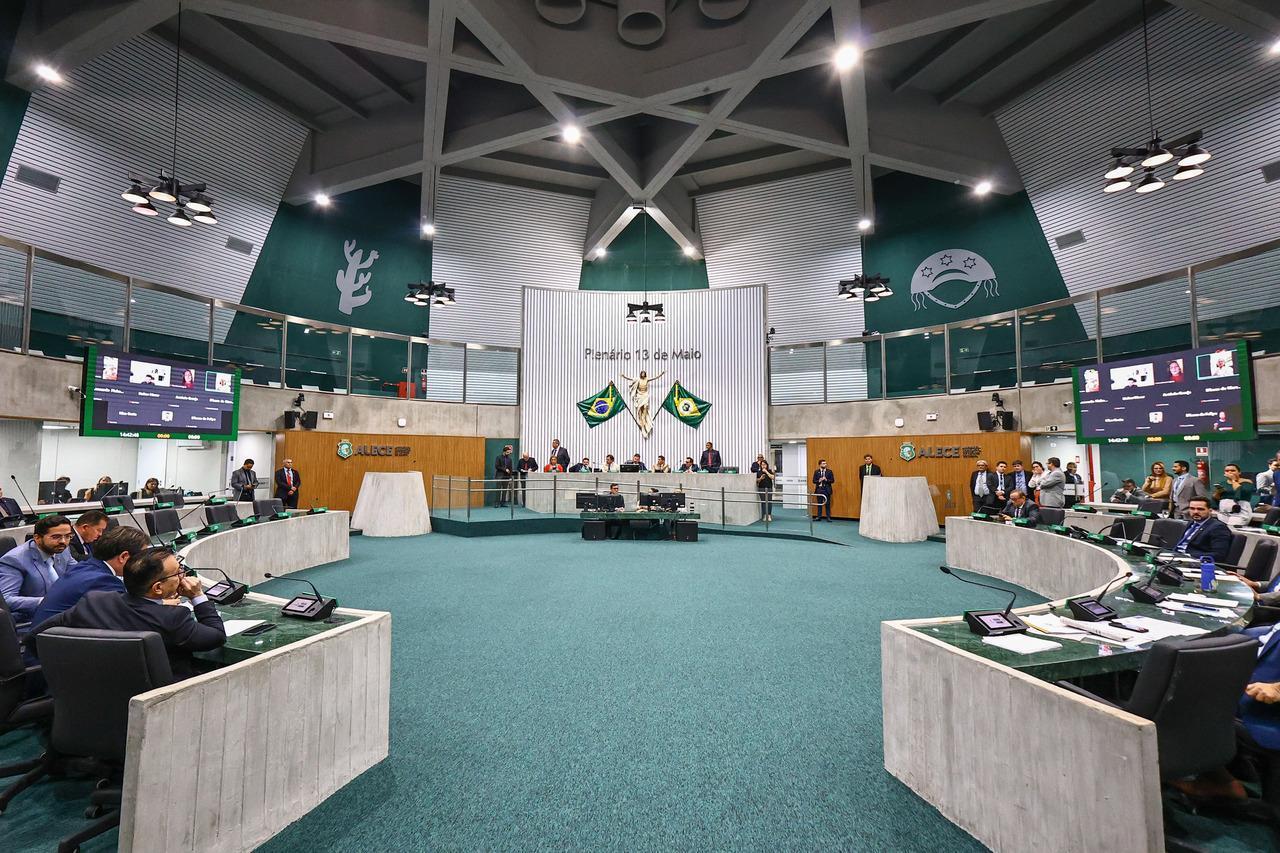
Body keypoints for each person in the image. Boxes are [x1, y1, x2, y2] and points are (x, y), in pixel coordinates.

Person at [26, 547, 226, 681]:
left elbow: (36, 637)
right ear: (157, 588)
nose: (183, 575)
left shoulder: (95, 601)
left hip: (92, 699)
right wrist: (198, 596)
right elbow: (216, 636)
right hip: (158, 704)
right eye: (178, 573)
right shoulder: (173, 618)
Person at [28, 526, 149, 627]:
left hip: (48, 644)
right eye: (142, 557)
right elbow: (127, 620)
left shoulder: (86, 567)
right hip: (57, 651)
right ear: (124, 557)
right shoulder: (104, 582)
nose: (144, 563)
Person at [0, 515, 75, 624]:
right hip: (30, 620)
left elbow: (79, 572)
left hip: (60, 614)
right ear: (37, 538)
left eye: (68, 536)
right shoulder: (14, 560)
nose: (63, 541)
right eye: (56, 537)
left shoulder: (62, 550)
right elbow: (6, 599)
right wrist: (47, 601)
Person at [1173, 496, 1232, 563]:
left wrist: (1188, 556)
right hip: (1177, 558)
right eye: (1192, 508)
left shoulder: (1218, 527)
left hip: (1196, 562)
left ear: (1210, 511)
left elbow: (1219, 555)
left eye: (1200, 509)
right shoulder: (1191, 523)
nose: (1195, 512)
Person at [752, 454, 775, 522]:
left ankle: (769, 515)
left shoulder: (770, 471)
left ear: (767, 465)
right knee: (763, 502)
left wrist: (766, 472)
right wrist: (760, 478)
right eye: (762, 465)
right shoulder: (758, 472)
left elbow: (773, 477)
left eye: (764, 464)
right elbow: (757, 481)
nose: (763, 466)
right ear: (760, 466)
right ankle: (765, 515)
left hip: (769, 488)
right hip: (761, 488)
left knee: (769, 502)